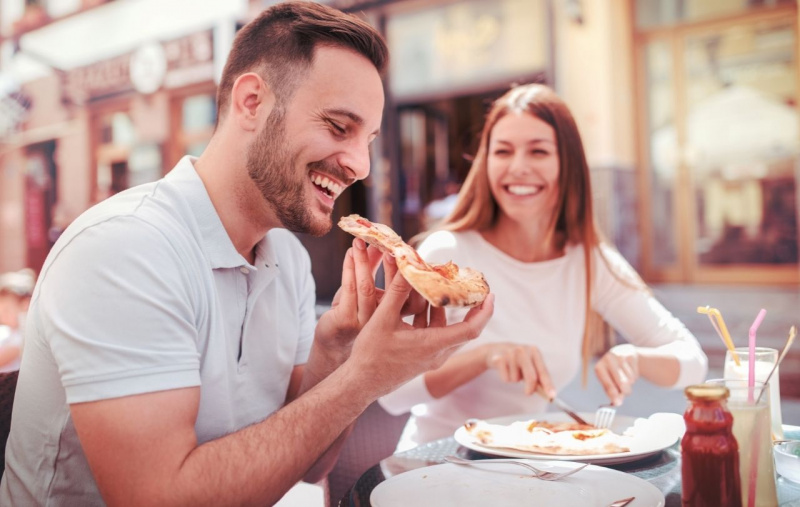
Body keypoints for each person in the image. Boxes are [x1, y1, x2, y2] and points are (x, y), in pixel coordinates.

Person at [0, 3, 493, 505]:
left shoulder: (288, 258)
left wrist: (336, 349)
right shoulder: (124, 248)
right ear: (252, 101)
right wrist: (365, 377)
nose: (360, 165)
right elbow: (156, 497)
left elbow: (312, 464)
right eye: (338, 126)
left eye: (367, 139)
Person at [379, 83, 707, 450]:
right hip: (436, 464)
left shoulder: (588, 260)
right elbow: (390, 394)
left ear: (566, 165)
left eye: (538, 151)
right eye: (503, 151)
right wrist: (484, 356)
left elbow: (692, 361)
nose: (519, 168)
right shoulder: (448, 253)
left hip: (528, 466)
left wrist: (634, 357)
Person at [0, 268, 35, 372]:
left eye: (7, 310)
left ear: (25, 306)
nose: (2, 316)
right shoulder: (8, 331)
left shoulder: (23, 336)